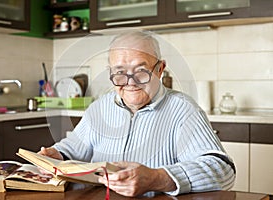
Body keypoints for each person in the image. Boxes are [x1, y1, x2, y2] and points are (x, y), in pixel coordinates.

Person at [39, 31, 236, 197]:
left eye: (141, 71)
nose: (130, 82)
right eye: (120, 72)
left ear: (160, 69)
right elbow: (73, 148)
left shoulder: (183, 110)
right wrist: (57, 155)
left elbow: (222, 170)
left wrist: (158, 178)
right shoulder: (100, 107)